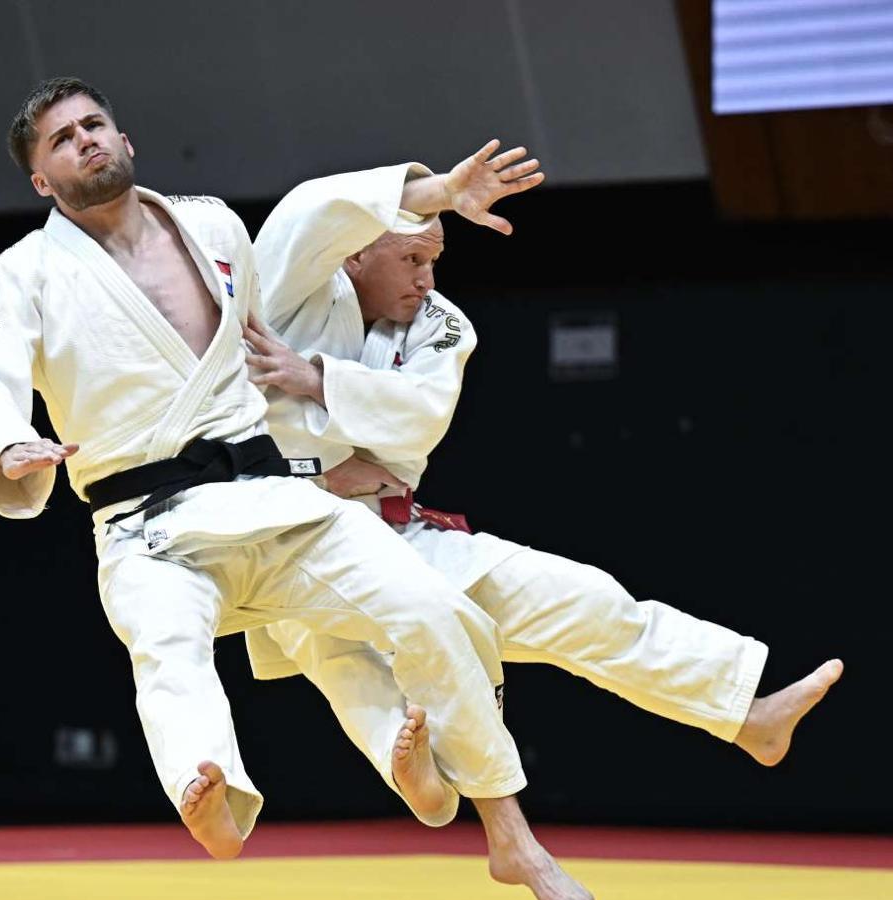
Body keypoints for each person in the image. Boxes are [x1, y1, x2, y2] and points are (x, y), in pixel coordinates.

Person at [0, 77, 596, 900]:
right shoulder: (22, 274)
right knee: (167, 647)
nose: (86, 141)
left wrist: (437, 193)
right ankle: (210, 789)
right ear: (42, 179)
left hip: (273, 501)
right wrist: (8, 445)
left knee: (434, 608)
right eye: (62, 140)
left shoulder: (214, 226)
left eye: (94, 124)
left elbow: (311, 252)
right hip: (148, 526)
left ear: (125, 138)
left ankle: (511, 838)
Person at [243, 156, 843, 826]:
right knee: (343, 656)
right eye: (411, 258)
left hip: (388, 532)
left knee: (581, 598)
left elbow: (417, 421)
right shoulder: (290, 288)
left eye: (434, 260)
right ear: (355, 253)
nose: (426, 279)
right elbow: (312, 212)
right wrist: (439, 190)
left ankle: (743, 713)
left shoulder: (440, 323)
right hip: (278, 538)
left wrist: (317, 381)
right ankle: (415, 771)